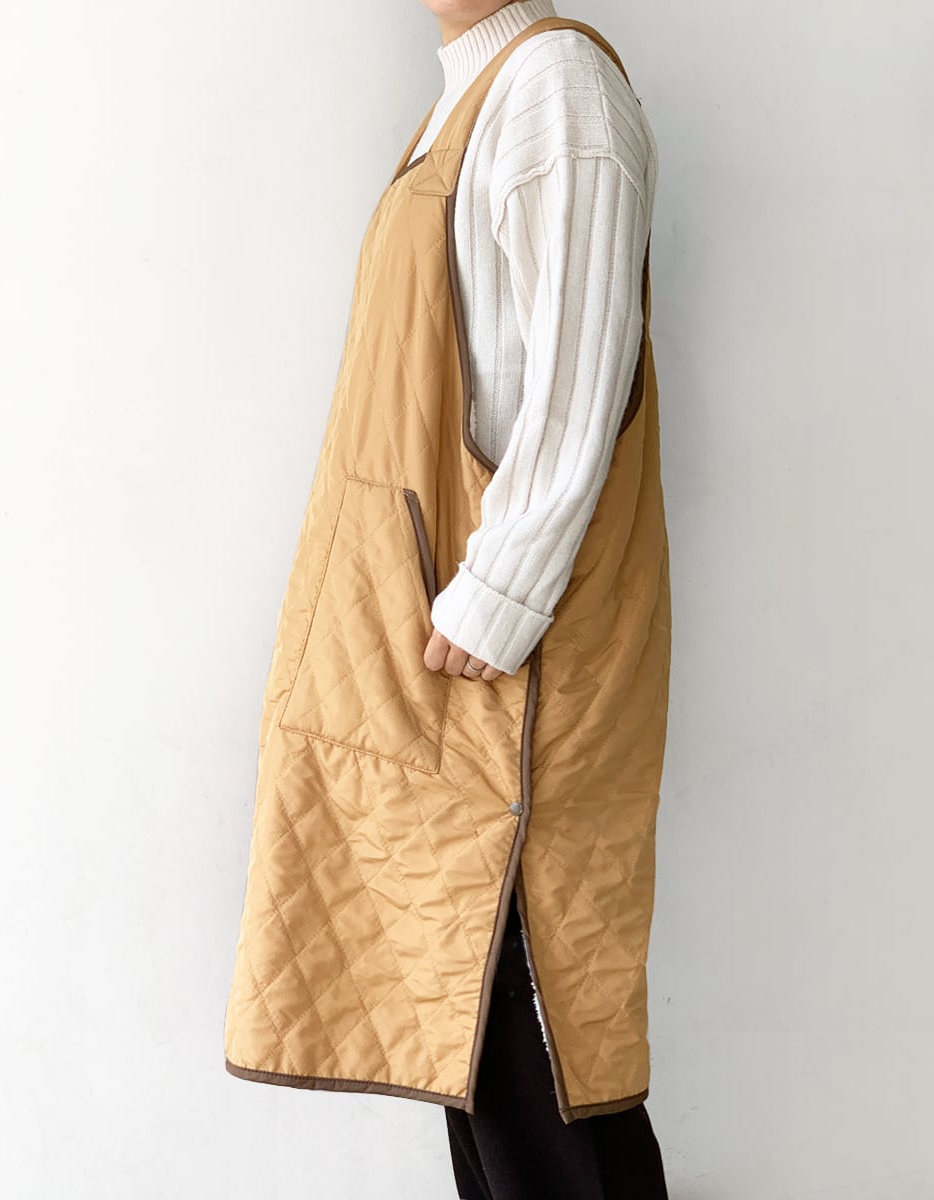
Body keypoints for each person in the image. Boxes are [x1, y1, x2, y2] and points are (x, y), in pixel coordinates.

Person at [223, 3, 673, 1198]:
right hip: (422, 671)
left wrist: (496, 595)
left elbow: (577, 386)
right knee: (476, 1068)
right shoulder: (466, 98)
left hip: (500, 683)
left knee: (538, 1070)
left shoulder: (557, 87)